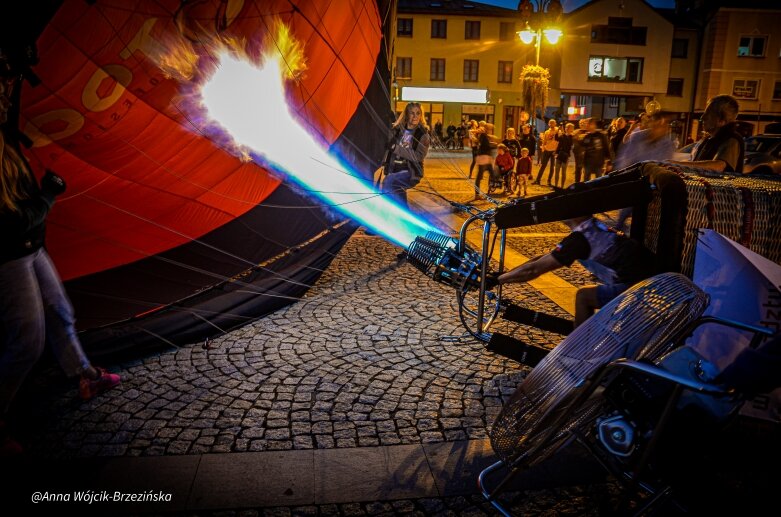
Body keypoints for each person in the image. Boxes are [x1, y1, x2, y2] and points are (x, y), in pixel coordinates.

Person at [1, 128, 121, 456]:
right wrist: (48, 196)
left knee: (60, 312)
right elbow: (14, 220)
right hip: (8, 259)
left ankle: (86, 376)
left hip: (32, 249)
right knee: (27, 342)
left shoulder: (8, 143)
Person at [493, 215, 658, 327]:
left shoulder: (580, 239)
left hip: (642, 286)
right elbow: (543, 259)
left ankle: (580, 351)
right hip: (650, 277)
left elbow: (534, 270)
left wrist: (497, 281)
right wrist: (502, 275)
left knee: (583, 297)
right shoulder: (591, 227)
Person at [613, 112, 676, 231]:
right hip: (634, 182)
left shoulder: (667, 145)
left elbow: (665, 165)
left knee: (645, 222)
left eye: (663, 125)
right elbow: (626, 158)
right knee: (623, 216)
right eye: (657, 124)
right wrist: (622, 177)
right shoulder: (637, 137)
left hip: (652, 187)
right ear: (651, 123)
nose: (660, 128)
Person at [672, 94, 744, 173]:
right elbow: (696, 163)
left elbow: (719, 166)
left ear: (721, 121)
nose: (702, 118)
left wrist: (677, 164)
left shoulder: (731, 140)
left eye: (708, 114)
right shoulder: (709, 139)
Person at [382, 102, 430, 210]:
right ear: (407, 114)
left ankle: (400, 214)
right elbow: (388, 147)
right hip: (393, 168)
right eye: (412, 113)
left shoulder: (423, 134)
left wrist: (397, 148)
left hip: (410, 171)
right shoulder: (398, 129)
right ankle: (394, 214)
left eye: (418, 113)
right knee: (391, 188)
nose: (415, 116)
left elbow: (418, 156)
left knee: (391, 182)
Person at [471, 124, 493, 200]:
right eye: (490, 128)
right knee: (480, 176)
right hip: (484, 157)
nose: (491, 130)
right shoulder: (483, 136)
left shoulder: (484, 135)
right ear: (487, 129)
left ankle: (491, 188)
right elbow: (486, 146)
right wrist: (493, 145)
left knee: (490, 173)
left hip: (485, 157)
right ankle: (477, 194)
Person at [534, 119, 559, 185]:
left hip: (553, 150)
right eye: (550, 123)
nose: (551, 124)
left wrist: (556, 151)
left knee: (552, 167)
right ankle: (538, 180)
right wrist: (543, 149)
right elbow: (544, 141)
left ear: (555, 123)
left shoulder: (558, 131)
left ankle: (549, 181)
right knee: (543, 166)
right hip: (546, 150)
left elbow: (559, 141)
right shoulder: (547, 132)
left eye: (553, 123)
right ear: (548, 124)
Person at [553, 123, 574, 189]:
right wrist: (558, 130)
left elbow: (571, 145)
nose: (567, 128)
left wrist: (569, 135)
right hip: (559, 154)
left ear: (572, 129)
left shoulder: (572, 137)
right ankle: (556, 185)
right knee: (556, 171)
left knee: (563, 172)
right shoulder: (562, 135)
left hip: (566, 155)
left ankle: (562, 186)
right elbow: (556, 138)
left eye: (568, 127)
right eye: (566, 127)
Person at [572, 118, 588, 184]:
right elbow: (573, 140)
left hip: (587, 154)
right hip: (578, 154)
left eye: (583, 123)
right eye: (580, 123)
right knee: (578, 170)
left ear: (586, 124)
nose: (582, 124)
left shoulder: (589, 132)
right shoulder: (576, 132)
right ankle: (577, 183)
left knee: (586, 170)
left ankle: (586, 183)